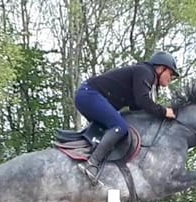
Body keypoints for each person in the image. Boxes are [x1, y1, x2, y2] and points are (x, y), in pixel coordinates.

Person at [74, 51, 179, 184]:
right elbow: (143, 101)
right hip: (89, 95)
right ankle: (92, 164)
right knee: (120, 127)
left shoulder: (148, 79)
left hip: (90, 96)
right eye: (171, 73)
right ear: (161, 68)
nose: (171, 78)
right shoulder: (145, 72)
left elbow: (137, 109)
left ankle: (96, 161)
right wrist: (164, 112)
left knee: (119, 130)